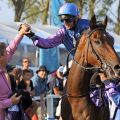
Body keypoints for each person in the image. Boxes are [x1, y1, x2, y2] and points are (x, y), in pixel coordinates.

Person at [24, 3, 90, 56]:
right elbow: (48, 42)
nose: (65, 23)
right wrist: (32, 36)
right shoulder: (63, 32)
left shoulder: (86, 25)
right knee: (61, 71)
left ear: (76, 18)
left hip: (95, 60)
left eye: (67, 19)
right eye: (62, 19)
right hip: (78, 62)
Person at [0, 24, 30, 120]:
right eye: (5, 53)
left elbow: (12, 48)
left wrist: (21, 33)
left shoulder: (2, 68)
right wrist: (11, 101)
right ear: (1, 57)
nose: (8, 55)